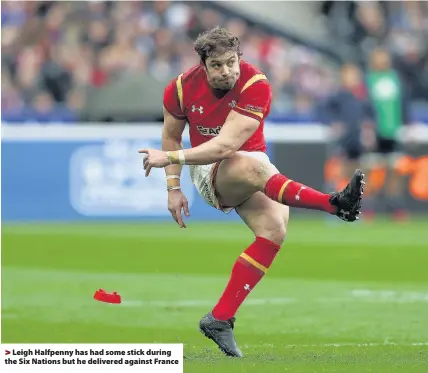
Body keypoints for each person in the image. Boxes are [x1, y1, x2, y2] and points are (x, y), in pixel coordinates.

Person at [139, 26, 365, 358]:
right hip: (211, 170)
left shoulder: (254, 83)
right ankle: (335, 204)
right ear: (203, 65)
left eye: (231, 62)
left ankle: (219, 318)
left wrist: (170, 159)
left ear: (239, 58)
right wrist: (173, 187)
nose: (226, 71)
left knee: (274, 231)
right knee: (252, 168)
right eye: (217, 65)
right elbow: (173, 138)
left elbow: (228, 143)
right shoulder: (180, 89)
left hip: (248, 163)